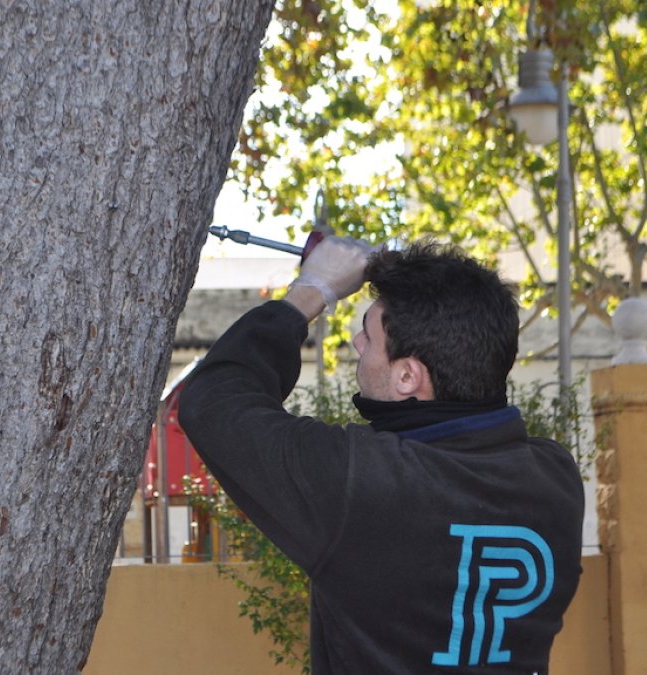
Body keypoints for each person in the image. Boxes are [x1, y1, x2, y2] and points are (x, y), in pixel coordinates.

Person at [179, 236, 584, 675]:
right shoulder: (556, 478)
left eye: (368, 335)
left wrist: (312, 290)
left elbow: (215, 403)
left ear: (408, 376)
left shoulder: (365, 482)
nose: (357, 343)